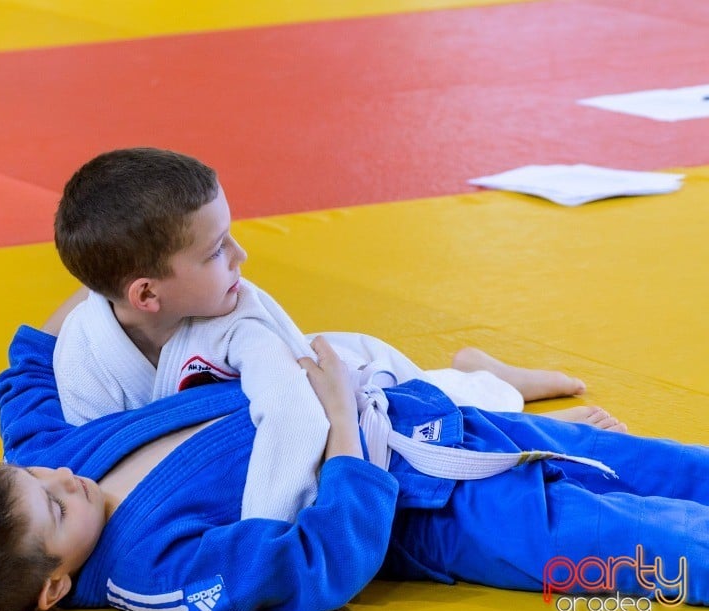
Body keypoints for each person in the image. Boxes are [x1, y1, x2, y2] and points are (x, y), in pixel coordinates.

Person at [0, 320, 700, 611]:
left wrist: (120, 285)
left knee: (674, 466)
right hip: (443, 515)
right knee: (658, 564)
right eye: (51, 504)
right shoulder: (156, 572)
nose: (62, 477)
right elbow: (315, 570)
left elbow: (30, 373)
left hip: (432, 416)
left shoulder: (67, 461)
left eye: (33, 471)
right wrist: (341, 422)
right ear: (54, 589)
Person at [49, 148, 606, 523]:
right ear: (146, 296)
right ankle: (474, 373)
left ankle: (512, 412)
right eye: (216, 249)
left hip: (346, 375)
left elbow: (306, 407)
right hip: (234, 441)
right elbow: (104, 464)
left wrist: (267, 529)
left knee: (432, 409)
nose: (241, 255)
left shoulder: (241, 314)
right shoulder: (86, 361)